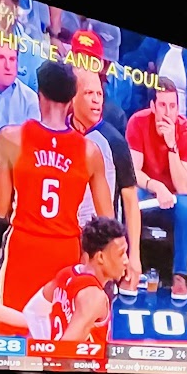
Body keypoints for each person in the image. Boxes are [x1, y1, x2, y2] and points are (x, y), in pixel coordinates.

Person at [0, 61, 112, 337]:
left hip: (24, 247)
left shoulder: (11, 138)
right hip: (65, 253)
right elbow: (108, 223)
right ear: (72, 100)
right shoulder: (90, 151)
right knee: (54, 338)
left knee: (8, 337)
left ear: (39, 94)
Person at [67, 54, 139, 287]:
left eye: (99, 94)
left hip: (99, 247)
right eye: (89, 93)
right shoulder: (59, 132)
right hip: (64, 238)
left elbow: (130, 199)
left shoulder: (114, 141)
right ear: (73, 97)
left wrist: (134, 256)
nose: (96, 100)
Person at [126, 78, 187, 299]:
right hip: (146, 192)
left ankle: (179, 275)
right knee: (130, 196)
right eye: (162, 105)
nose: (168, 112)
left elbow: (184, 187)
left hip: (173, 199)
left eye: (172, 106)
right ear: (152, 106)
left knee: (186, 206)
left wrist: (171, 145)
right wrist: (156, 185)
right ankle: (129, 267)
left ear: (178, 108)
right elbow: (133, 172)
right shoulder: (137, 122)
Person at [42, 215, 128, 366]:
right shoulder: (93, 297)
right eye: (121, 254)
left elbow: (33, 312)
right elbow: (64, 352)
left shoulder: (66, 274)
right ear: (100, 257)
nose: (126, 261)